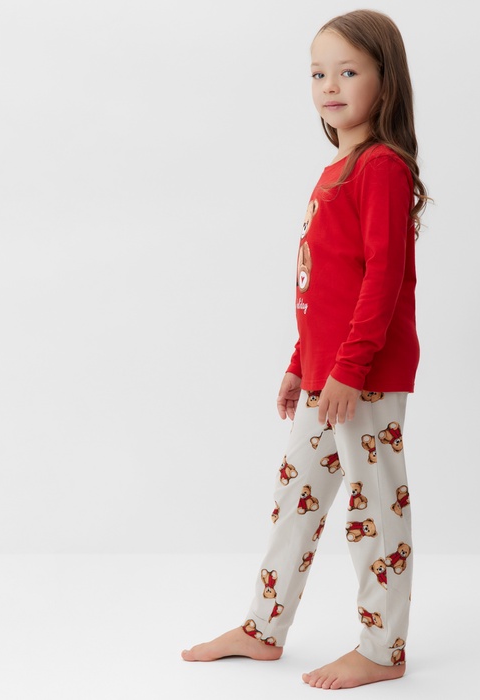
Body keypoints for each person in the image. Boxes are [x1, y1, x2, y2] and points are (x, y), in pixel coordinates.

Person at [181, 9, 430, 690]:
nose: (330, 86)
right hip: (328, 376)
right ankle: (263, 628)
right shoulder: (336, 170)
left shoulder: (381, 167)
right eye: (319, 74)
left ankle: (383, 649)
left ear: (386, 81)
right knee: (295, 500)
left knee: (374, 510)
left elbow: (383, 279)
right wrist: (301, 363)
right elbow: (327, 288)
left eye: (348, 71)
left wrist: (348, 368)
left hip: (364, 377)